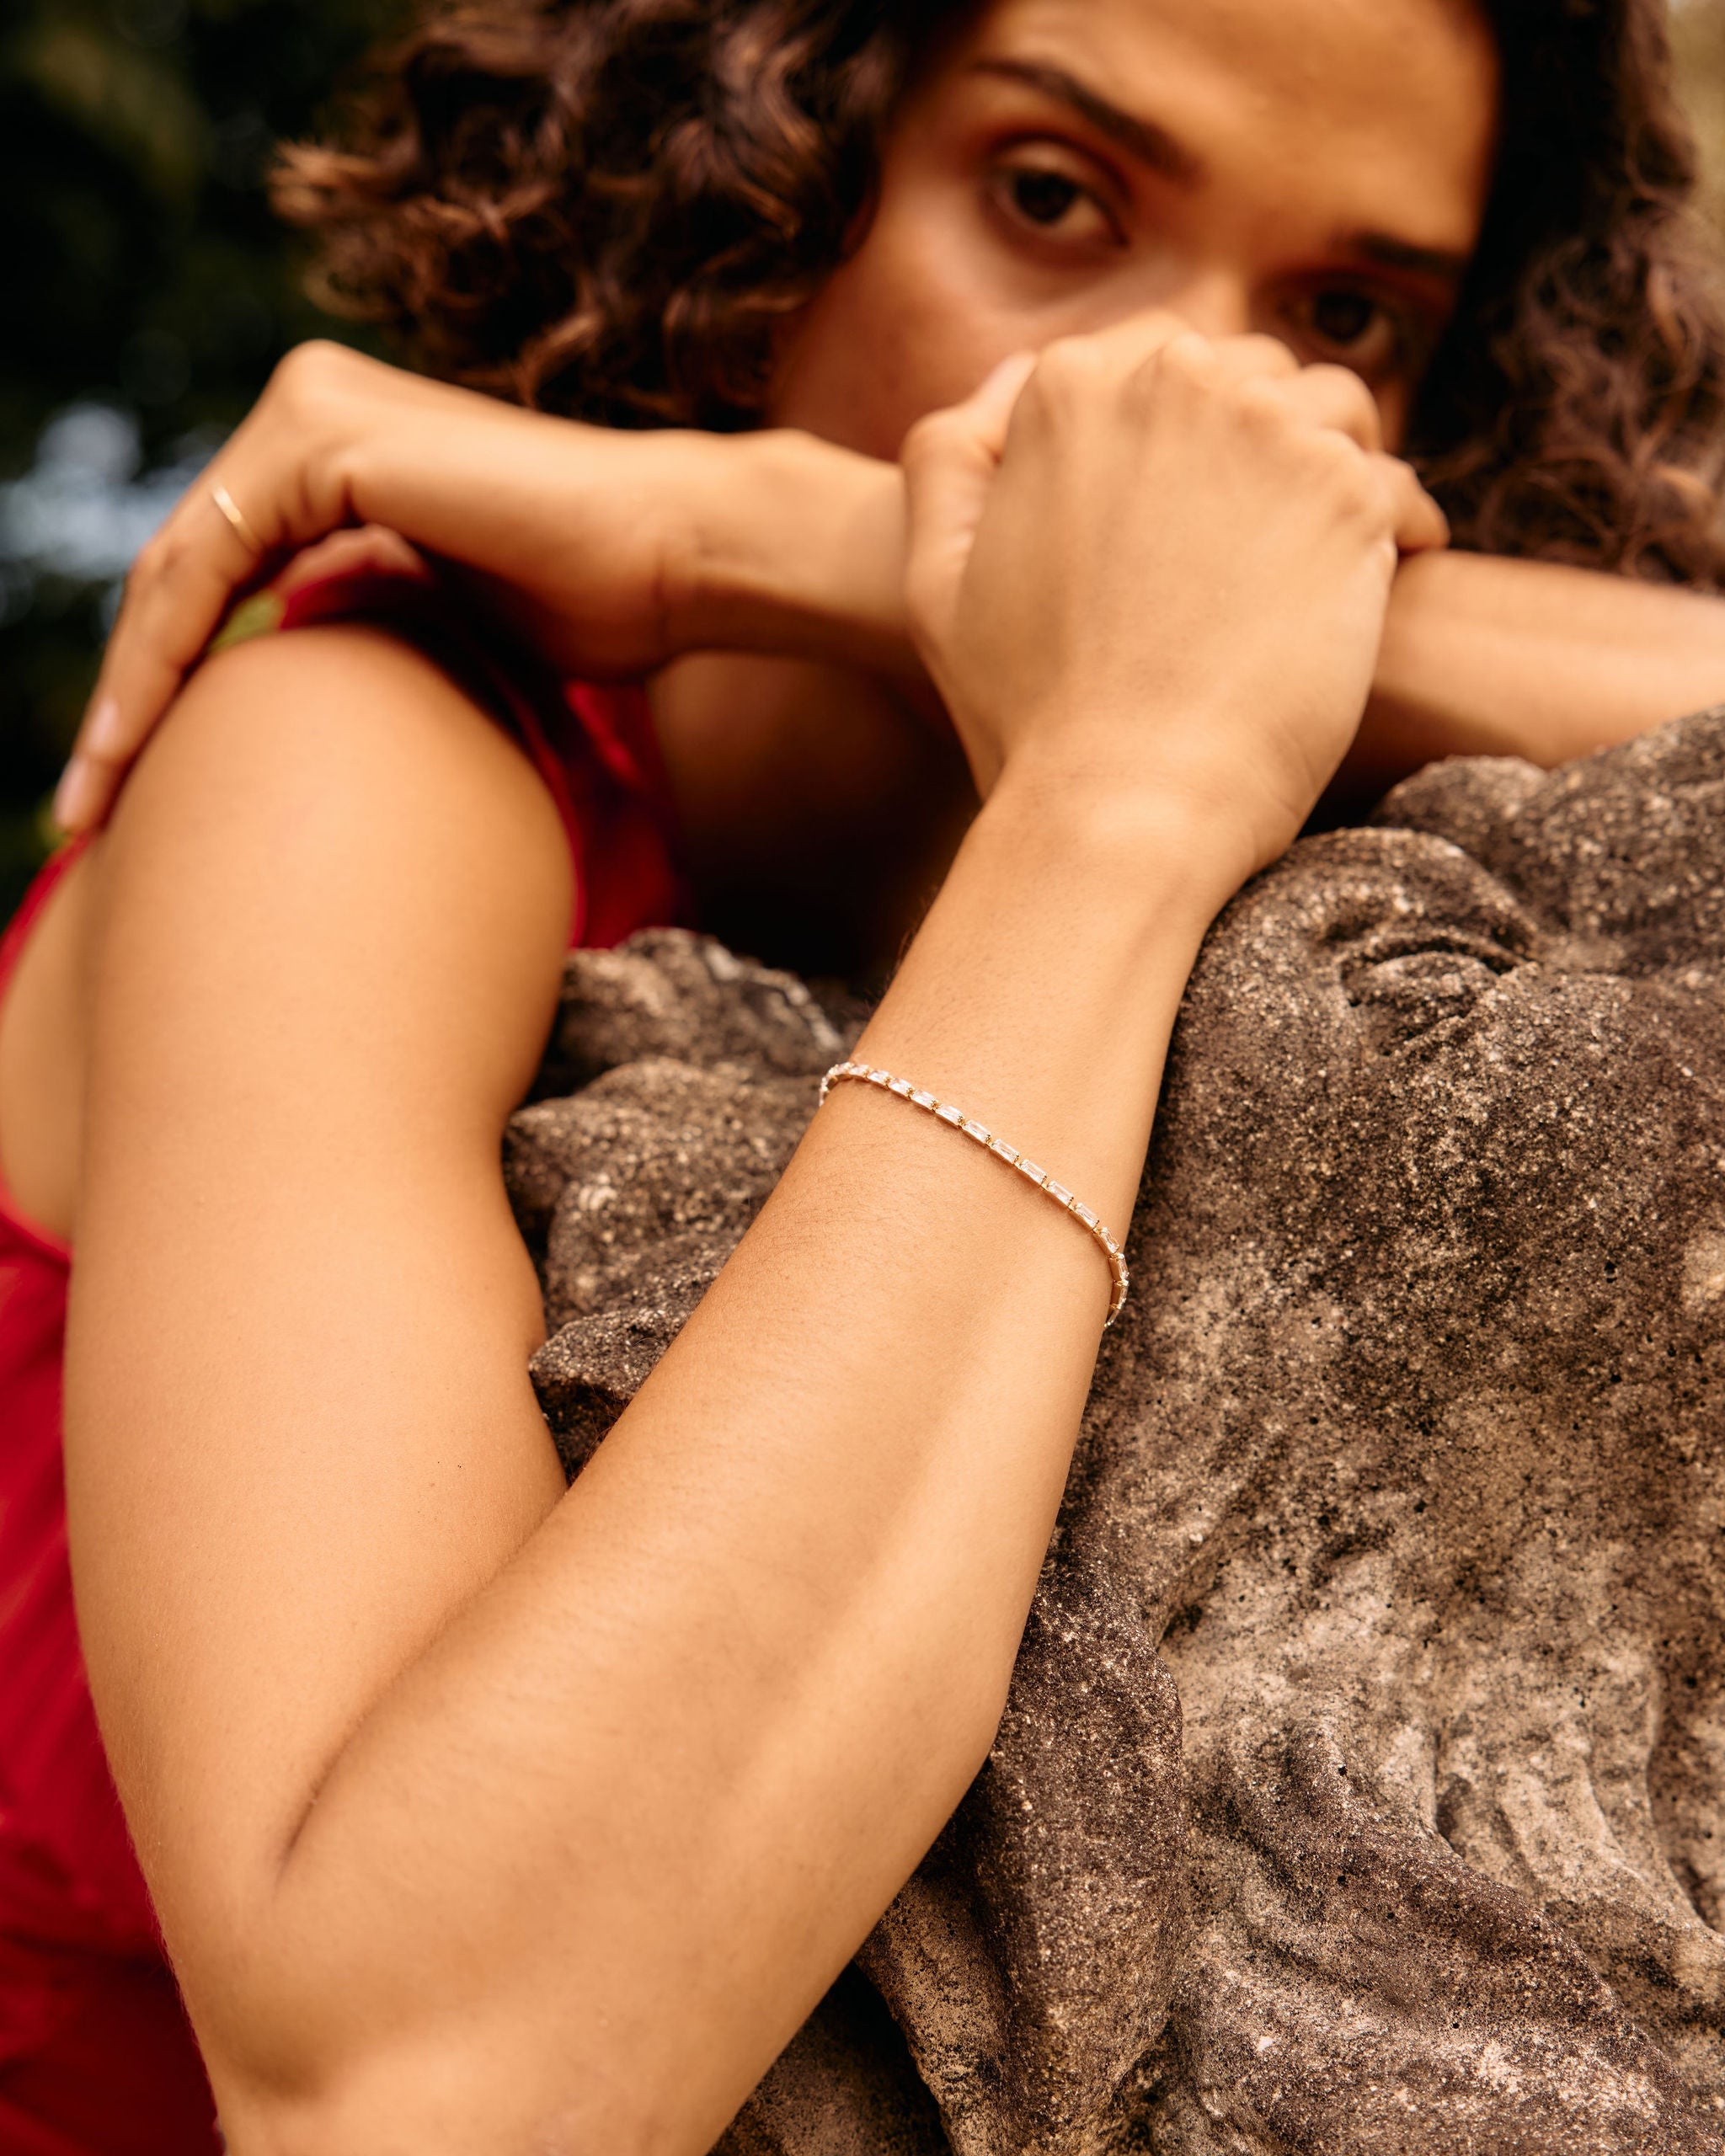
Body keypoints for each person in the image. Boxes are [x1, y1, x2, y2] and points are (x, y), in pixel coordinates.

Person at [3, 0, 1725, 2148]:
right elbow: (431, 2087)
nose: (1182, 399)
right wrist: (1119, 781)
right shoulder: (359, 755)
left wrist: (784, 539)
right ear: (759, 181)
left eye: (1343, 316)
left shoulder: (1317, 897)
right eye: (1051, 198)